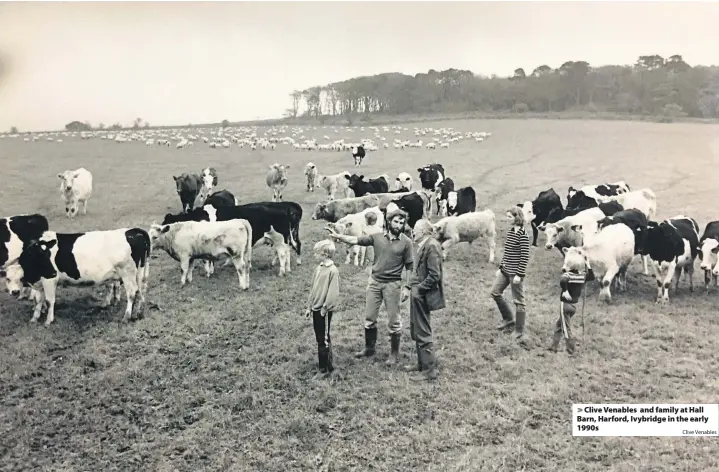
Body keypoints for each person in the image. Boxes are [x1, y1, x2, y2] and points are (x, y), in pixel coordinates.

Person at [327, 207, 413, 365]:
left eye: (402, 222)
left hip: (393, 285)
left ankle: (394, 354)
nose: (399, 225)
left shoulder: (406, 243)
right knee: (369, 318)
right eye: (396, 221)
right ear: (389, 222)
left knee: (394, 320)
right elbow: (356, 240)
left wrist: (407, 287)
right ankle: (369, 348)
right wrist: (338, 236)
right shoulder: (377, 237)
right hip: (374, 283)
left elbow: (409, 267)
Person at [405, 219, 444, 382]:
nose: (413, 232)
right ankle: (421, 364)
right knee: (416, 328)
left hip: (422, 294)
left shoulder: (432, 246)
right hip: (417, 293)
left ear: (424, 232)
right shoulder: (424, 245)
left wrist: (419, 289)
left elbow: (434, 275)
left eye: (415, 229)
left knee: (423, 330)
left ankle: (429, 370)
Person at [491, 206, 531, 340]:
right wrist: (501, 267)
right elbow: (507, 252)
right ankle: (508, 319)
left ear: (517, 218)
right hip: (506, 270)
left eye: (509, 217)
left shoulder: (523, 235)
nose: (507, 219)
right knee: (495, 292)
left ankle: (519, 330)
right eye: (507, 216)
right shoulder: (511, 231)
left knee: (519, 301)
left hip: (515, 273)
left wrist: (519, 275)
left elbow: (525, 257)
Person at [304, 239, 340, 377]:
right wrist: (309, 307)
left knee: (323, 338)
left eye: (316, 253)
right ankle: (327, 363)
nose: (314, 255)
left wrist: (325, 308)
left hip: (323, 311)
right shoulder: (319, 268)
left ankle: (324, 369)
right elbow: (313, 289)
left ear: (325, 254)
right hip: (315, 308)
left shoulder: (333, 271)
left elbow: (333, 293)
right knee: (320, 336)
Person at [551, 248, 594, 354]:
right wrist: (587, 263)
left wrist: (565, 290)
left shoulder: (567, 275)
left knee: (566, 328)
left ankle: (571, 349)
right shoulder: (581, 276)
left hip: (565, 305)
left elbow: (563, 280)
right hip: (574, 306)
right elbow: (592, 277)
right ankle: (553, 346)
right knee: (559, 324)